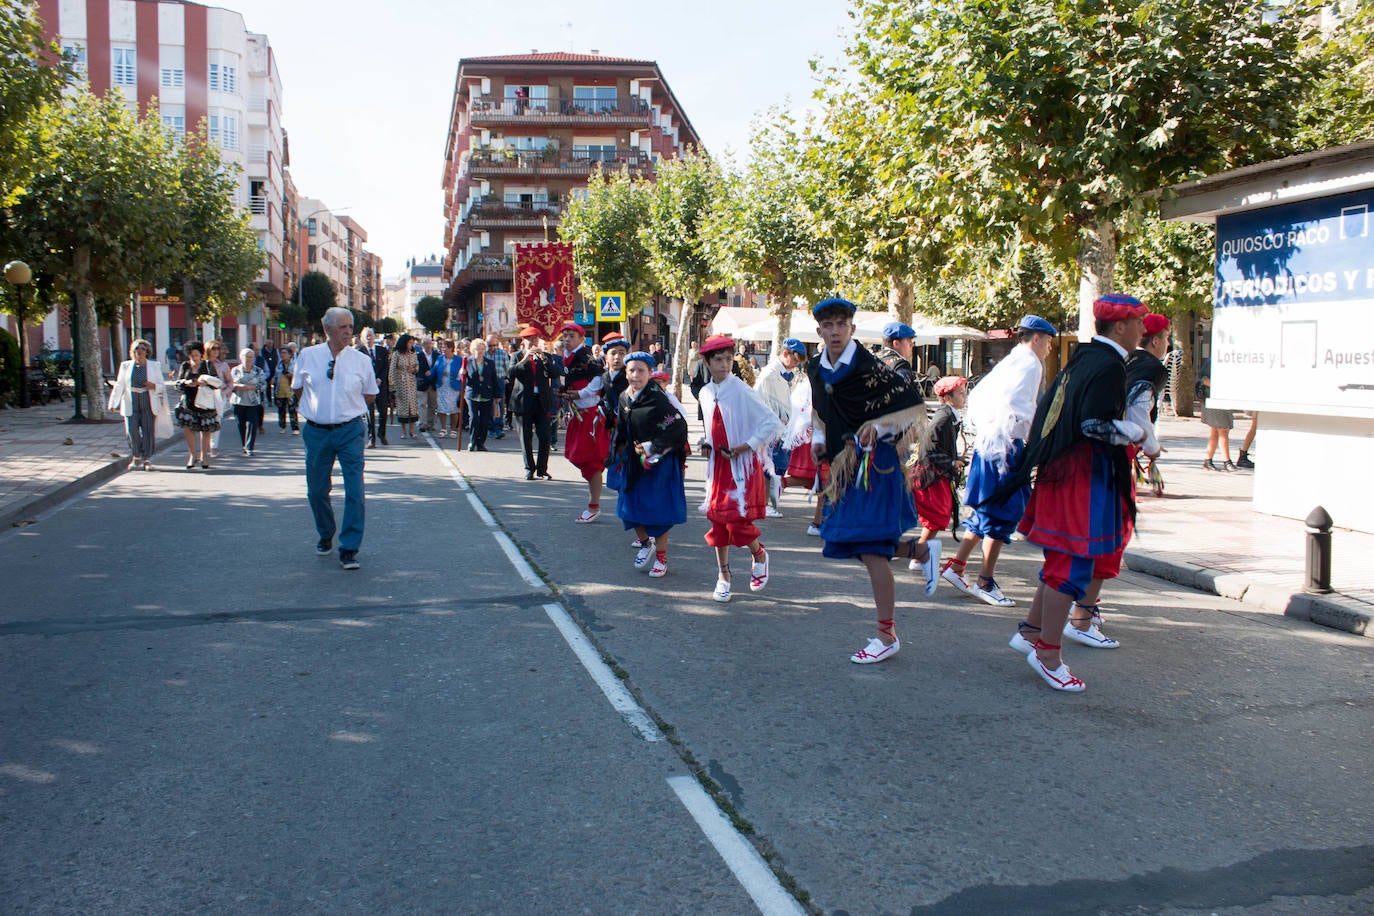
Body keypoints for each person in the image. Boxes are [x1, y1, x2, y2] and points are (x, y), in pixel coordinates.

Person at [996, 293, 1147, 691]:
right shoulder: (1110, 365)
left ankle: (1031, 632)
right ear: (1120, 326)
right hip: (1083, 476)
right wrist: (1136, 432)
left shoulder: (1086, 357)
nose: (1143, 329)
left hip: (1063, 472)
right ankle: (1048, 653)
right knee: (1073, 563)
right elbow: (1093, 426)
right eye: (1138, 322)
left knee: (1060, 560)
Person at [806, 299, 928, 663]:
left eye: (842, 324)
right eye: (828, 325)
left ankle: (886, 634)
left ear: (852, 329)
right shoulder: (815, 368)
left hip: (876, 466)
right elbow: (820, 412)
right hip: (844, 466)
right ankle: (920, 551)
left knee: (872, 548)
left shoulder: (872, 367)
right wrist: (817, 441)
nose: (835, 331)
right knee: (850, 541)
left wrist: (878, 426)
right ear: (820, 331)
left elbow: (910, 407)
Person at [944, 315, 1057, 607]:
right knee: (1001, 514)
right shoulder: (1031, 363)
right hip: (1004, 448)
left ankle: (957, 566)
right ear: (1037, 338)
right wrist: (1036, 441)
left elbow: (982, 398)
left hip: (991, 443)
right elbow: (1022, 410)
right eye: (1048, 341)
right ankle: (985, 580)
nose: (1049, 348)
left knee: (988, 510)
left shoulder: (1012, 360)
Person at [697, 334, 783, 603]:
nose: (724, 364)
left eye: (728, 359)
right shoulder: (705, 392)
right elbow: (712, 429)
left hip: (741, 469)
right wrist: (708, 445)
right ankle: (724, 577)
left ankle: (759, 553)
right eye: (718, 360)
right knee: (718, 525)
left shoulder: (742, 390)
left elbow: (771, 423)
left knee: (736, 523)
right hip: (717, 468)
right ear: (707, 363)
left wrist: (745, 446)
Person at [293, 307, 378, 570]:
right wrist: (313, 412)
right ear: (327, 329)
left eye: (350, 326)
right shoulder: (308, 356)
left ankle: (349, 548)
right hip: (317, 431)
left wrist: (348, 406)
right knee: (317, 490)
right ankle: (325, 532)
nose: (348, 332)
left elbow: (371, 394)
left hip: (350, 430)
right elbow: (297, 389)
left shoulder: (361, 360)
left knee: (355, 489)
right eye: (342, 327)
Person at [609, 351, 690, 577]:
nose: (636, 375)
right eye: (631, 370)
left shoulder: (659, 398)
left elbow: (678, 427)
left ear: (649, 373)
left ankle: (662, 559)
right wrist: (616, 450)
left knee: (658, 512)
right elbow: (621, 427)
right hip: (634, 463)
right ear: (626, 373)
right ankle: (646, 544)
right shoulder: (625, 397)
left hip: (660, 463)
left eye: (641, 371)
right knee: (629, 509)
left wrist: (652, 446)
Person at [906, 376, 968, 593]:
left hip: (937, 474)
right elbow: (928, 449)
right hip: (930, 475)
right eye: (960, 393)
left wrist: (955, 458)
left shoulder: (949, 416)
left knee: (936, 515)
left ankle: (918, 553)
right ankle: (917, 554)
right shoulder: (942, 418)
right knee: (936, 514)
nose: (964, 396)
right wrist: (952, 461)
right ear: (948, 397)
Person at [559, 322, 609, 522]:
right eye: (565, 336)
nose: (567, 340)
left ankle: (594, 505)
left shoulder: (587, 358)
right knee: (578, 457)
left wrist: (579, 394)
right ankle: (594, 502)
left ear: (581, 339)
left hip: (591, 416)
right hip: (578, 414)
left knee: (591, 461)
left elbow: (598, 381)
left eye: (571, 336)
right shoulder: (567, 358)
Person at [753, 338, 807, 517]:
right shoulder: (769, 374)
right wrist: (776, 418)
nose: (796, 365)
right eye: (795, 360)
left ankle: (767, 503)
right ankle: (765, 504)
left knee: (778, 466)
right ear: (785, 354)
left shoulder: (790, 374)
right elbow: (758, 400)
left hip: (784, 428)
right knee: (771, 467)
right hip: (771, 429)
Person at [107, 338, 168, 471]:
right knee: (132, 430)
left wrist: (153, 386)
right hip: (131, 400)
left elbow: (162, 386)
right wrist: (113, 403)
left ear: (147, 352)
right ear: (132, 352)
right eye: (137, 349)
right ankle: (136, 456)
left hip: (147, 399)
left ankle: (147, 459)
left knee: (148, 430)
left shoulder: (154, 366)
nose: (140, 351)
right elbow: (119, 385)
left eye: (143, 349)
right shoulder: (126, 366)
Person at [511, 327, 556, 479]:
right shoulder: (516, 356)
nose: (533, 342)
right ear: (523, 341)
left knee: (545, 436)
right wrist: (525, 359)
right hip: (523, 402)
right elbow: (512, 373)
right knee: (526, 437)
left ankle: (542, 469)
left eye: (535, 339)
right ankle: (529, 468)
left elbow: (555, 373)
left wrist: (543, 358)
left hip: (541, 401)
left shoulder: (545, 356)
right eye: (529, 339)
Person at [171, 341, 222, 469]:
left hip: (204, 403)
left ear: (201, 355)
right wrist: (187, 382)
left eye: (197, 355)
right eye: (192, 355)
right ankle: (193, 455)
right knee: (188, 429)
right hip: (188, 403)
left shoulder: (207, 365)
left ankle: (204, 456)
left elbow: (216, 382)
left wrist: (204, 383)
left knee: (205, 431)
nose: (194, 358)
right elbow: (178, 384)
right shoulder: (185, 366)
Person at [1198, 357, 1236, 471]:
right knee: (1223, 430)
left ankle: (1208, 460)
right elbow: (1203, 379)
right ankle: (1226, 461)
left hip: (1218, 398)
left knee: (1215, 430)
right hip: (1214, 398)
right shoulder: (1214, 361)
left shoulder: (1216, 360)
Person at [463, 337, 498, 451]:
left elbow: (494, 380)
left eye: (483, 349)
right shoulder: (467, 361)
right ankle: (472, 441)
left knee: (484, 420)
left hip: (486, 394)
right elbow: (464, 379)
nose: (480, 351)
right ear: (473, 350)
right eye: (478, 349)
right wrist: (463, 373)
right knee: (473, 418)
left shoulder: (490, 363)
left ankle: (481, 442)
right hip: (472, 393)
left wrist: (497, 396)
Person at [230, 347, 267, 456]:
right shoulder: (235, 370)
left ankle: (250, 447)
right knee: (240, 424)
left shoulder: (258, 371)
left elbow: (263, 385)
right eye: (246, 357)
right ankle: (244, 445)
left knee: (253, 423)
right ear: (241, 358)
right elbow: (231, 384)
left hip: (253, 402)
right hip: (239, 401)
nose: (249, 359)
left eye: (251, 357)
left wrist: (252, 387)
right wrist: (240, 386)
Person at [357, 328, 390, 447]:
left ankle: (382, 434)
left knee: (383, 411)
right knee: (369, 413)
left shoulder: (382, 351)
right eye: (366, 336)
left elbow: (386, 367)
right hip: (367, 387)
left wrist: (379, 379)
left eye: (370, 335)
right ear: (362, 338)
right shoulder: (359, 352)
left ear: (374, 337)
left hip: (380, 385)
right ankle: (372, 438)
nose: (369, 338)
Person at [204, 340, 234, 458]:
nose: (216, 351)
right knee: (204, 421)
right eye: (213, 348)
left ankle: (213, 447)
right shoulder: (203, 364)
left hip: (218, 396)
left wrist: (224, 393)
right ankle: (204, 447)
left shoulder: (223, 365)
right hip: (205, 397)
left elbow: (230, 382)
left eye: (218, 348)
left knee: (216, 421)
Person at [388, 334, 420, 439]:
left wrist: (414, 370)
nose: (411, 345)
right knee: (402, 407)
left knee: (413, 407)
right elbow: (392, 369)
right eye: (409, 342)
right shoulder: (396, 354)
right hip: (400, 383)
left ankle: (412, 430)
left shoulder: (413, 353)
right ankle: (403, 431)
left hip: (411, 383)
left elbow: (417, 366)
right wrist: (391, 384)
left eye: (412, 343)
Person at [433, 338, 465, 439]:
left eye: (445, 347)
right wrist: (429, 373)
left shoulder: (459, 359)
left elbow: (463, 373)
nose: (443, 349)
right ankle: (443, 429)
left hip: (454, 387)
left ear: (451, 348)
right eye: (442, 346)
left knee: (453, 409)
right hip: (442, 385)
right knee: (441, 408)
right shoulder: (440, 358)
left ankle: (453, 430)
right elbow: (435, 369)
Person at [486, 334, 510, 439]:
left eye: (494, 345)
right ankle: (490, 428)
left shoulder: (502, 353)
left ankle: (498, 429)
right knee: (488, 404)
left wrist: (506, 378)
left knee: (499, 405)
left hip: (499, 380)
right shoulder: (485, 354)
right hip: (488, 381)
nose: (492, 348)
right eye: (490, 345)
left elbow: (507, 367)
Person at [272, 344, 300, 434]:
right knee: (281, 409)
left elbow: (299, 376)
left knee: (292, 410)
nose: (282, 355)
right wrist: (273, 379)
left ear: (290, 354)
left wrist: (291, 375)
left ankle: (295, 428)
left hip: (290, 391)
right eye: (281, 353)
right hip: (280, 390)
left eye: (284, 353)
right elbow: (276, 375)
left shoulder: (295, 364)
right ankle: (282, 426)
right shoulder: (279, 365)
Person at [256, 339, 279, 433]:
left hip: (265, 378)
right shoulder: (262, 353)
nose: (256, 351)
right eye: (255, 350)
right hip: (249, 388)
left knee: (261, 405)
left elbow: (267, 369)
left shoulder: (273, 352)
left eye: (271, 343)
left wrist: (263, 378)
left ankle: (260, 424)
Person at [416, 337, 438, 432]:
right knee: (422, 404)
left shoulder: (437, 355)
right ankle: (423, 424)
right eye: (426, 344)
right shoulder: (418, 356)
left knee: (432, 405)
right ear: (422, 345)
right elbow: (415, 369)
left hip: (433, 384)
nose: (428, 346)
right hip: (422, 384)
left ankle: (431, 424)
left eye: (430, 344)